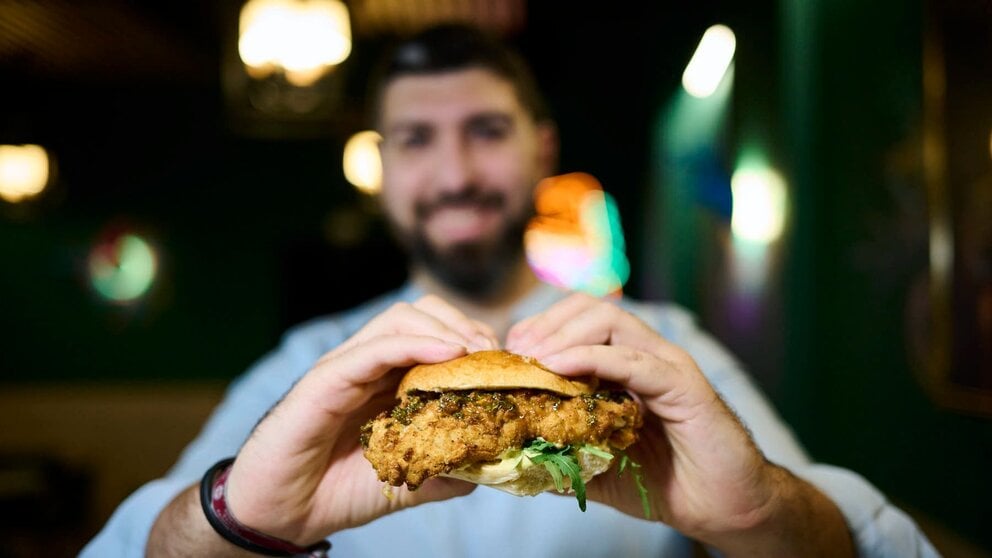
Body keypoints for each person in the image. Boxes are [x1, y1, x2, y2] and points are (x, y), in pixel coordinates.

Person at [82, 23, 937, 557]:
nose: (454, 173)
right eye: (417, 140)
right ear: (383, 174)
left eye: (486, 131)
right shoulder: (311, 367)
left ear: (541, 148)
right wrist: (240, 518)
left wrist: (757, 518)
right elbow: (135, 549)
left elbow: (863, 544)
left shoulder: (660, 347)